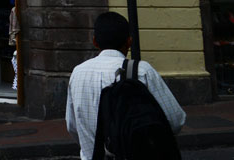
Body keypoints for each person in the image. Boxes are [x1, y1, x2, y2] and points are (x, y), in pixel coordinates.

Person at [66, 12, 186, 160]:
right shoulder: (142, 71)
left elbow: (72, 126)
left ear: (95, 42)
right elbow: (176, 120)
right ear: (129, 42)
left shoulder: (78, 73)